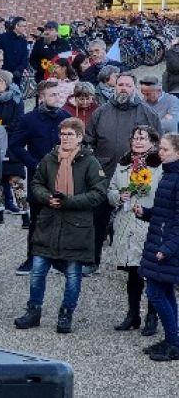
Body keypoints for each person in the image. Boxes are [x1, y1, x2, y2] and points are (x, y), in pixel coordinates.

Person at [14, 117, 108, 334]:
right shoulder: (49, 159)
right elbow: (36, 183)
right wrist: (47, 198)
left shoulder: (90, 162)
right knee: (38, 270)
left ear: (79, 137)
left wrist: (69, 201)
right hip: (49, 222)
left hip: (76, 225)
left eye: (70, 134)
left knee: (73, 273)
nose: (65, 138)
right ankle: (33, 311)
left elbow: (98, 193)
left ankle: (66, 313)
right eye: (63, 134)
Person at [85, 73, 161, 274]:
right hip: (105, 174)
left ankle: (139, 263)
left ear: (134, 88)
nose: (124, 88)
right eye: (120, 85)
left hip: (138, 175)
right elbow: (88, 141)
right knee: (98, 219)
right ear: (115, 87)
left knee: (139, 219)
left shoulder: (148, 113)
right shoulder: (101, 112)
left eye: (128, 85)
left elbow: (158, 143)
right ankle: (92, 261)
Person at [9, 80, 71, 274]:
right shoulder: (29, 119)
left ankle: (58, 259)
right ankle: (32, 259)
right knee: (37, 218)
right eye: (53, 95)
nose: (58, 98)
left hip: (63, 175)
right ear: (42, 97)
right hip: (39, 177)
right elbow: (15, 145)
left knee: (61, 216)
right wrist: (33, 163)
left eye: (60, 94)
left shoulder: (66, 117)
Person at [105, 126, 162, 336]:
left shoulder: (160, 166)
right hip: (126, 222)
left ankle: (152, 315)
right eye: (135, 138)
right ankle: (133, 314)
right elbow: (110, 189)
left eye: (142, 138)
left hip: (149, 224)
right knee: (133, 274)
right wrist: (119, 197)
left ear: (153, 142)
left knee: (152, 274)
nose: (137, 142)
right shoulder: (123, 164)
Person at [134, 132, 179, 361]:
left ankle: (174, 343)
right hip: (160, 240)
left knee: (155, 292)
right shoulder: (168, 174)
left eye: (165, 150)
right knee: (164, 291)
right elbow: (165, 214)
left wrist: (168, 248)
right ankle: (173, 339)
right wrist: (146, 214)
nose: (159, 153)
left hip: (166, 245)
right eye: (159, 148)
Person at [0, 71, 25, 215]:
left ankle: (24, 211)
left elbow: (19, 121)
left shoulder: (16, 100)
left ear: (7, 83)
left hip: (12, 142)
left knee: (15, 177)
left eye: (0, 81)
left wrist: (3, 128)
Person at [0, 16, 30, 83]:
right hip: (1, 75)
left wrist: (19, 70)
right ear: (16, 26)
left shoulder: (24, 42)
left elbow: (25, 58)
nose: (25, 28)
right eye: (24, 26)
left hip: (16, 76)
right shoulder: (2, 38)